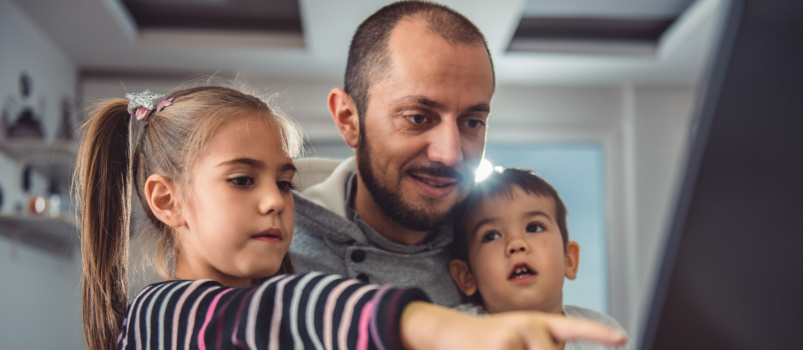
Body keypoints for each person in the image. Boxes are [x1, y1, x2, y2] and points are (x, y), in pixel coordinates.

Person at [75, 86, 627, 350]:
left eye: (285, 183)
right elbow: (287, 311)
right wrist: (445, 328)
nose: (274, 201)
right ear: (166, 201)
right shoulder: (162, 315)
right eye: (243, 180)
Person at [290, 0, 493, 307]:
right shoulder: (271, 251)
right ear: (348, 119)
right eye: (417, 117)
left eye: (472, 122)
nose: (450, 155)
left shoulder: (498, 248)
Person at [449, 168, 632, 350]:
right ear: (467, 276)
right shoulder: (458, 335)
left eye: (534, 228)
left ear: (569, 260)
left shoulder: (603, 335)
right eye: (491, 236)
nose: (516, 244)